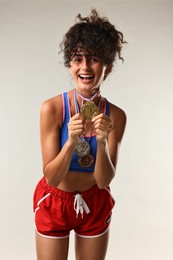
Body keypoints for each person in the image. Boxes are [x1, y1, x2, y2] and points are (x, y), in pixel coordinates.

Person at [33, 8, 127, 260]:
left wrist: (101, 141)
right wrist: (71, 142)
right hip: (55, 200)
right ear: (70, 65)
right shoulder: (52, 108)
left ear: (106, 66)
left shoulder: (116, 116)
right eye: (77, 58)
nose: (85, 66)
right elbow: (51, 178)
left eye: (94, 58)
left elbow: (104, 181)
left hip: (95, 200)